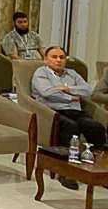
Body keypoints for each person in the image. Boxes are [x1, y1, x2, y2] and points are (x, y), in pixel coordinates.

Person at [31, 46, 106, 190]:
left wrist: (67, 88)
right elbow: (46, 93)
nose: (58, 60)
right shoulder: (41, 72)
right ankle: (65, 173)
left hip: (75, 111)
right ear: (46, 59)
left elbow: (88, 91)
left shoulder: (72, 73)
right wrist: (71, 97)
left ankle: (99, 170)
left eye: (61, 57)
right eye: (54, 57)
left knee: (95, 127)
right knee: (70, 127)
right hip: (52, 111)